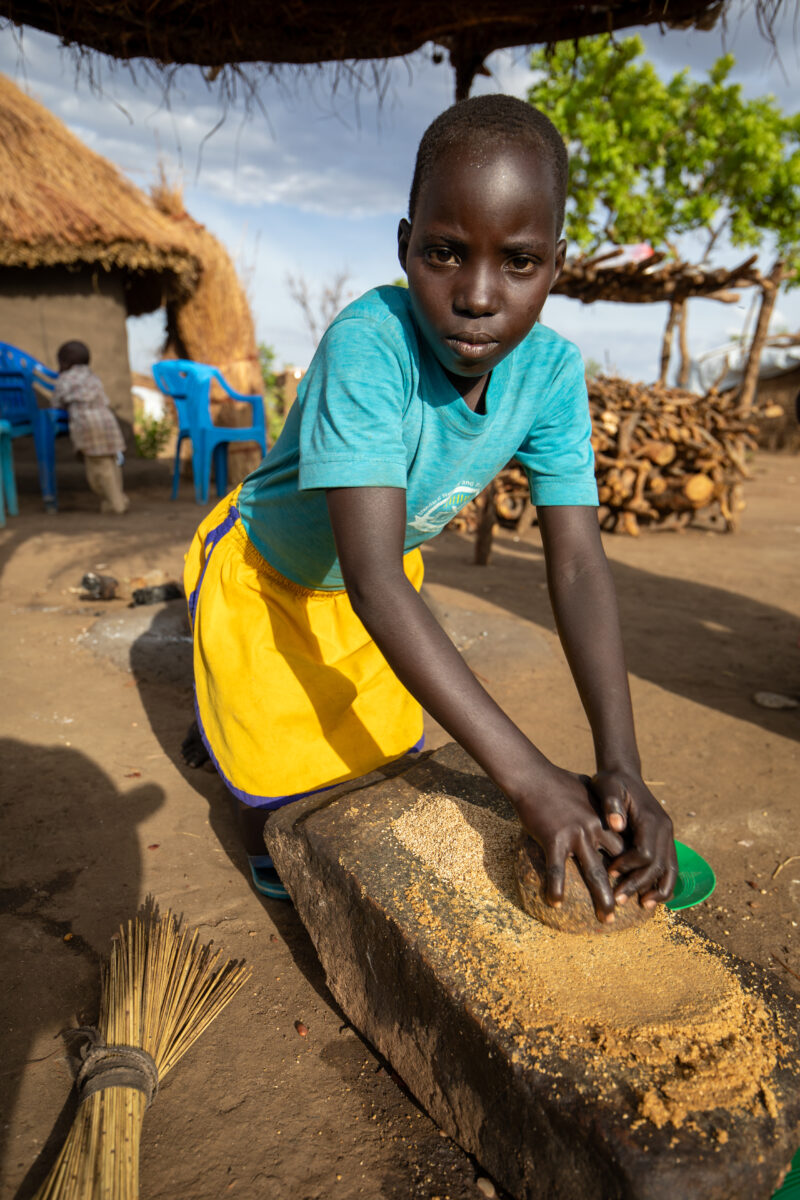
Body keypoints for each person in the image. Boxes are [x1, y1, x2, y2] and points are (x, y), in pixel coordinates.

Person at [183, 94, 677, 912]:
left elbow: (582, 567)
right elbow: (375, 576)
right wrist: (530, 780)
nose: (478, 295)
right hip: (272, 577)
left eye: (518, 262)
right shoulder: (369, 344)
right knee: (277, 820)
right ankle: (217, 718)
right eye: (446, 253)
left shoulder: (552, 376)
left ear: (557, 264)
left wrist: (620, 763)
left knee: (373, 769)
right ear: (405, 245)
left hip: (372, 595)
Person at [52, 341, 129, 514]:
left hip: (88, 426)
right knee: (111, 464)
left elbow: (56, 402)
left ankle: (116, 503)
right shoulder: (93, 377)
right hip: (108, 422)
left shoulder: (65, 379)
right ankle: (118, 498)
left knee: (97, 471)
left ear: (63, 362)